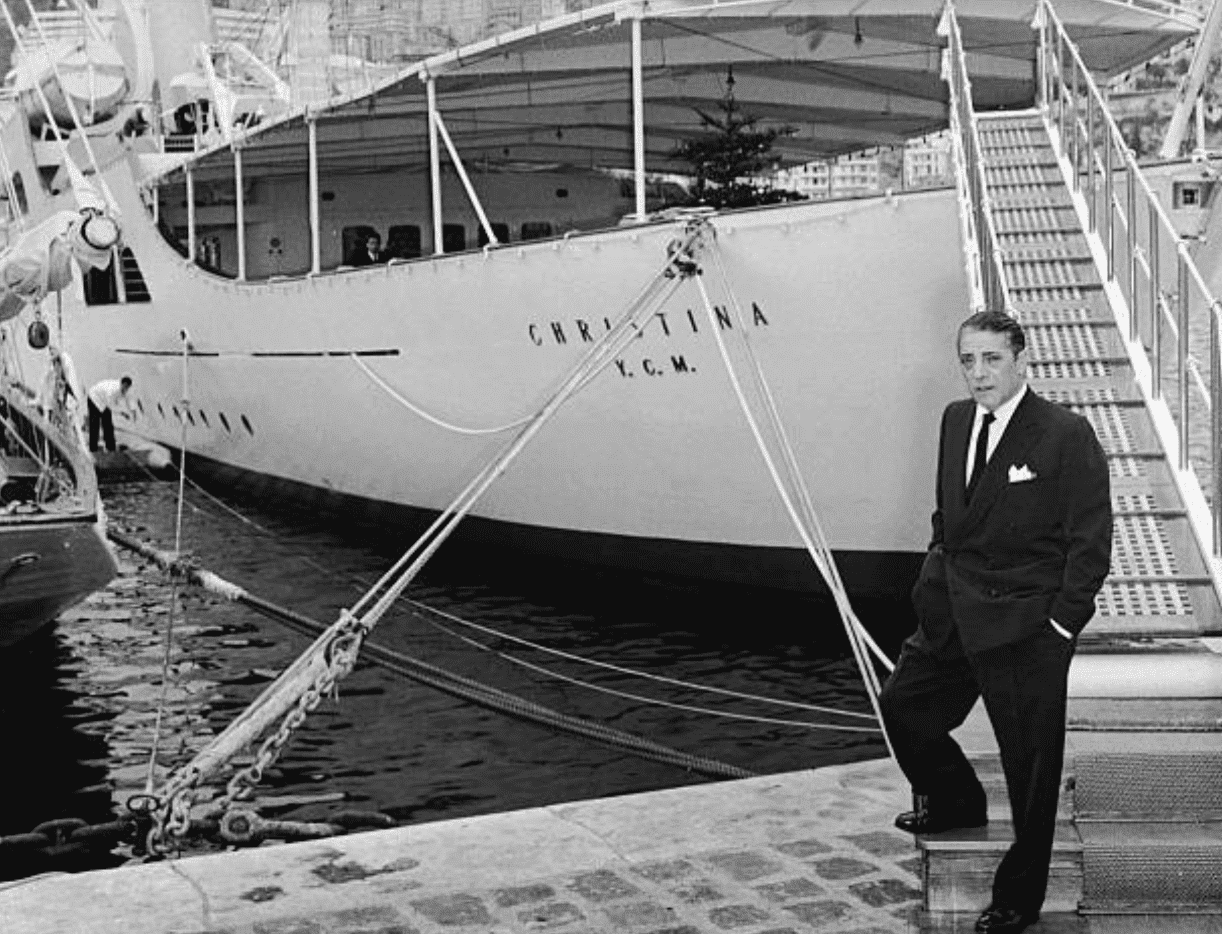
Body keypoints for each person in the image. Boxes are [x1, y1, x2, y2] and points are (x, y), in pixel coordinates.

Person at [880, 310, 1111, 934]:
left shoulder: (1065, 435)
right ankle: (956, 797)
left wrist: (1061, 626)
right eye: (969, 361)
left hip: (1025, 626)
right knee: (902, 704)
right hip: (953, 611)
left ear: (1021, 359)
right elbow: (947, 512)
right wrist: (934, 573)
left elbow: (1091, 544)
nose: (978, 374)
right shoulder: (955, 420)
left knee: (1030, 772)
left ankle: (1019, 896)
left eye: (991, 360)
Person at [87, 375, 134, 453]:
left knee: (108, 425)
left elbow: (127, 398)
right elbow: (111, 406)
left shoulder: (123, 390)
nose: (125, 389)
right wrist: (122, 413)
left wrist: (132, 410)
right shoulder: (113, 390)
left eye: (127, 387)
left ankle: (111, 447)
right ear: (122, 384)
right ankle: (93, 448)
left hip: (104, 400)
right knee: (95, 424)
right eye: (125, 387)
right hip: (94, 399)